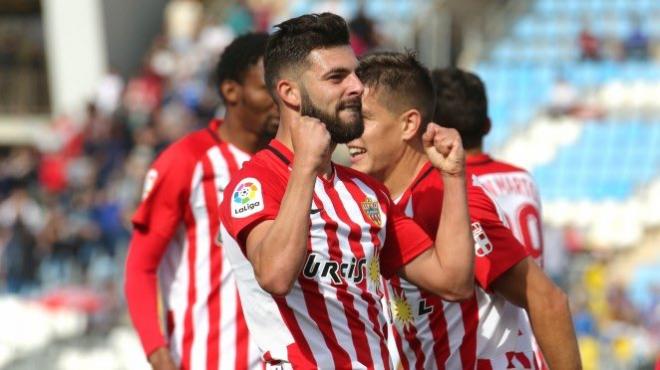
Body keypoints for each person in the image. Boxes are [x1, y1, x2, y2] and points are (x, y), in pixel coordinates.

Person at [218, 13, 475, 369]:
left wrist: (454, 177)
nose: (357, 87)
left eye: (355, 73)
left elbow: (453, 281)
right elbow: (275, 276)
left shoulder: (367, 193)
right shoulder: (254, 183)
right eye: (337, 77)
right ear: (290, 93)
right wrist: (306, 165)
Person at [348, 52, 581, 369]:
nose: (350, 131)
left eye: (364, 118)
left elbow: (548, 300)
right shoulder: (384, 203)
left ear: (409, 124)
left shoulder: (446, 199)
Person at [124, 32, 278, 370]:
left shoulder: (293, 165)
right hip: (208, 360)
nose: (279, 100)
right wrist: (156, 351)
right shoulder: (187, 161)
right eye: (267, 89)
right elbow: (140, 266)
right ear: (231, 91)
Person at [432, 67, 544, 265]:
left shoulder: (446, 187)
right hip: (534, 291)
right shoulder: (525, 178)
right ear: (488, 126)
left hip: (485, 294)